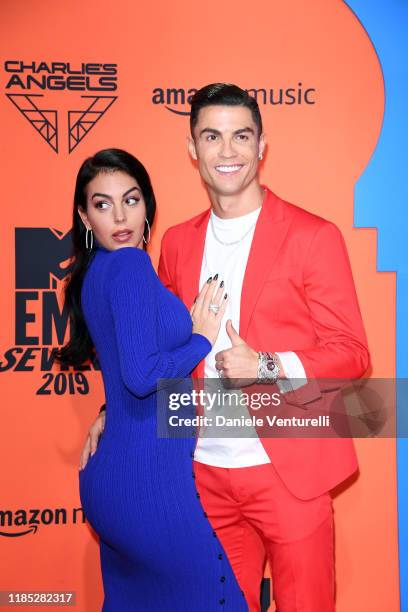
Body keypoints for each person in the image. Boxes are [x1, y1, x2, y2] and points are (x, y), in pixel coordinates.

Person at [82, 85, 370, 611]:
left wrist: (264, 363)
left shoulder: (313, 236)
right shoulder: (175, 242)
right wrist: (112, 411)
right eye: (212, 136)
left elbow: (352, 353)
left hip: (289, 472)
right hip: (200, 476)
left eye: (241, 136)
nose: (228, 151)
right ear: (192, 148)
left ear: (262, 146)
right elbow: (155, 351)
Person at [57, 148, 248, 611]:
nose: (120, 216)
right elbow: (143, 377)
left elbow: (129, 369)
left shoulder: (95, 273)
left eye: (132, 199)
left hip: (116, 484)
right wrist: (200, 338)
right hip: (150, 484)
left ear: (148, 205)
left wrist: (108, 413)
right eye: (102, 204)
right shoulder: (129, 265)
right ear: (84, 215)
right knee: (219, 600)